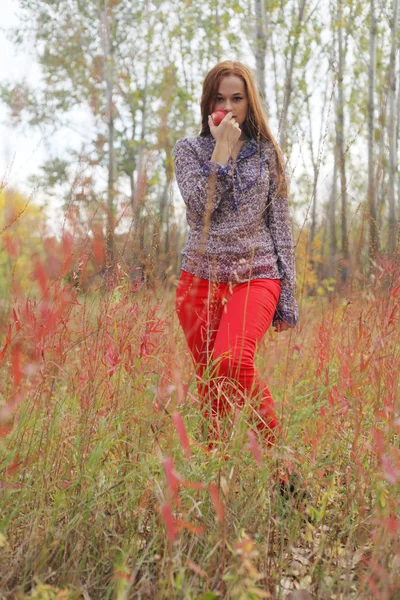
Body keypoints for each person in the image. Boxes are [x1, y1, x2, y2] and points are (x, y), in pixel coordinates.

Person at [173, 60, 299, 454]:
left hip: (256, 274)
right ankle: (215, 473)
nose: (227, 107)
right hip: (199, 277)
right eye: (219, 98)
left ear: (250, 103)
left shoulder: (267, 154)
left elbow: (280, 226)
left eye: (237, 98)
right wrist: (222, 150)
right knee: (211, 383)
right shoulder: (188, 150)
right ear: (208, 102)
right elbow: (198, 210)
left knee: (232, 361)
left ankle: (283, 466)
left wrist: (288, 298)